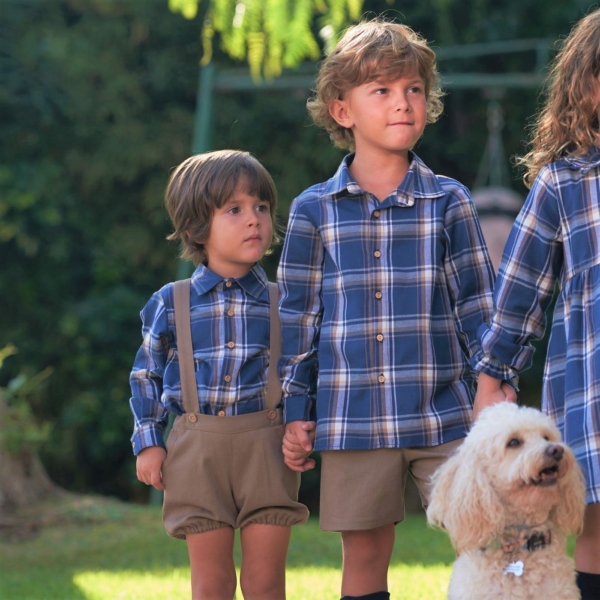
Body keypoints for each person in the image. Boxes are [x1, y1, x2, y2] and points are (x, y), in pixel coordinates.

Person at [277, 20, 515, 600]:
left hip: (446, 413)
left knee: (494, 538)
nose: (402, 103)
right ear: (341, 110)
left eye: (412, 89)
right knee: (363, 551)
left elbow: (479, 308)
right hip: (353, 417)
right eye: (381, 91)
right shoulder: (314, 211)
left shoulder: (451, 201)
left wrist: (496, 381)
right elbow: (297, 320)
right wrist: (294, 408)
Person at [129, 150, 308, 600]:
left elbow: (302, 369)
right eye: (234, 210)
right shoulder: (171, 302)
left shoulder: (283, 300)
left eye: (261, 208)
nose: (254, 220)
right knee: (211, 585)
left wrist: (304, 424)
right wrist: (148, 441)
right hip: (195, 454)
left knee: (266, 583)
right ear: (195, 229)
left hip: (267, 453)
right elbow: (145, 373)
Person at [471, 9, 600, 599]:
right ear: (588, 87)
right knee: (598, 524)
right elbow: (519, 291)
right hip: (592, 388)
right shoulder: (565, 182)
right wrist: (495, 374)